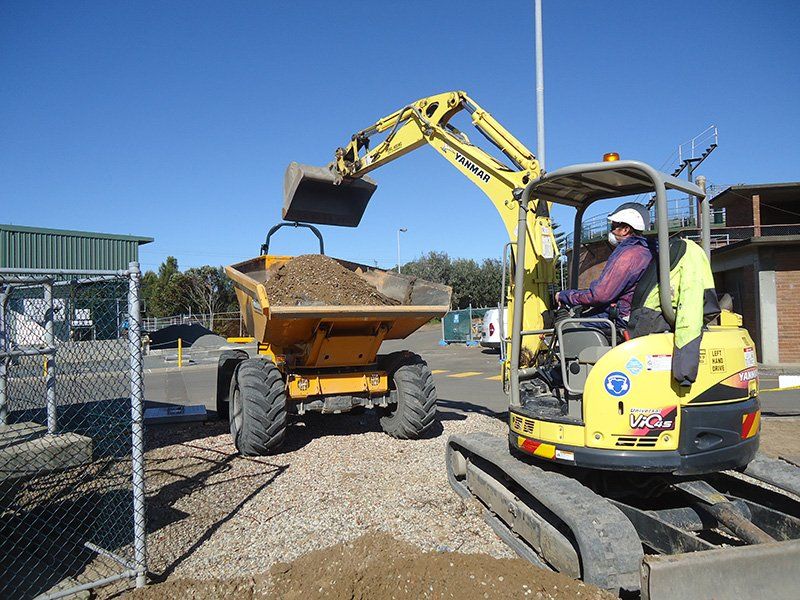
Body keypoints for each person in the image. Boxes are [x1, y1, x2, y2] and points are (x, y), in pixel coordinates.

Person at [557, 204, 653, 325]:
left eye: (613, 227)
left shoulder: (628, 255)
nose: (611, 231)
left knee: (569, 328)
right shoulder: (647, 251)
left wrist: (565, 296)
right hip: (637, 312)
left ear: (625, 229)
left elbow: (601, 295)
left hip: (623, 315)